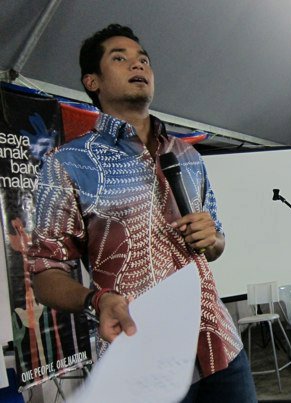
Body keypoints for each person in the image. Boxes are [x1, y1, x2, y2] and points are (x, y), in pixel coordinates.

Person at [27, 24, 256, 402]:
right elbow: (45, 274)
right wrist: (96, 300)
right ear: (92, 81)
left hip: (220, 348)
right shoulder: (67, 163)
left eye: (143, 60)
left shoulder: (187, 155)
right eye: (120, 58)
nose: (138, 65)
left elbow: (216, 244)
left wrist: (213, 238)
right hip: (141, 358)